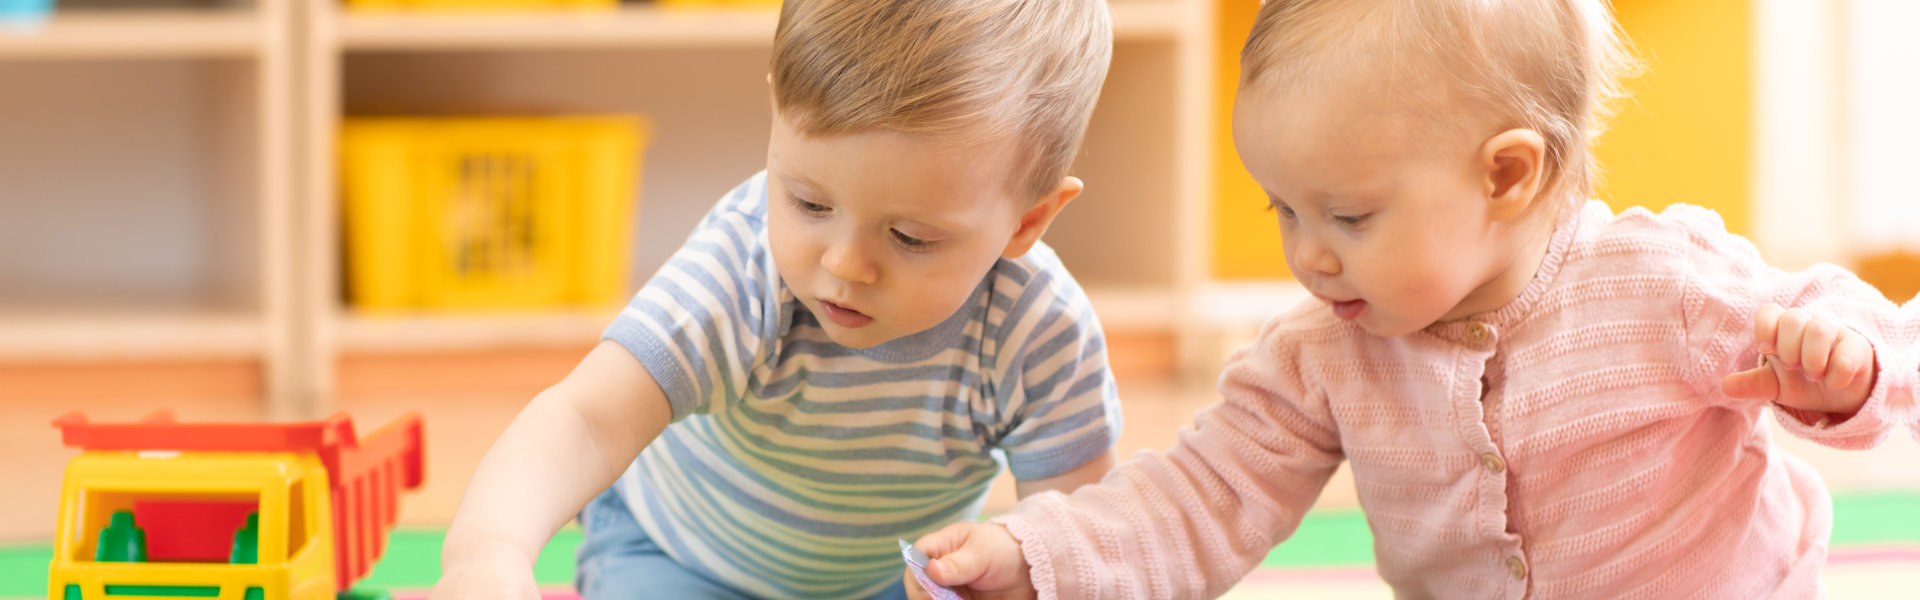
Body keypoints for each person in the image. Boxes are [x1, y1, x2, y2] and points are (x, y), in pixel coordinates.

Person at [908, 0, 1911, 597]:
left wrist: (1844, 368)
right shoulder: (1324, 354)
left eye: (1347, 217)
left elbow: (1887, 354)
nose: (1310, 256)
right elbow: (1198, 497)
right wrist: (1035, 554)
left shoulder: (1666, 286)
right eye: (1283, 211)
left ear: (1507, 177)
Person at [430, 1, 1125, 598]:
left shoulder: (1039, 333)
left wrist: (1019, 560)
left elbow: (1073, 532)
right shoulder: (741, 271)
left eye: (910, 237)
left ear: (1028, 221)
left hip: (886, 578)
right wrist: (487, 552)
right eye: (808, 201)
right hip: (678, 557)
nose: (844, 263)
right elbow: (585, 421)